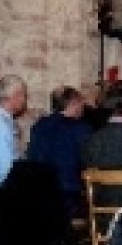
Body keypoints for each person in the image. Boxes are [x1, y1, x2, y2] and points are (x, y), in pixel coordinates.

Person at [27, 86, 91, 216]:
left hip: (41, 192)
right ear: (73, 103)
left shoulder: (39, 126)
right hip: (70, 193)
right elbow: (88, 161)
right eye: (81, 102)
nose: (83, 106)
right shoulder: (81, 129)